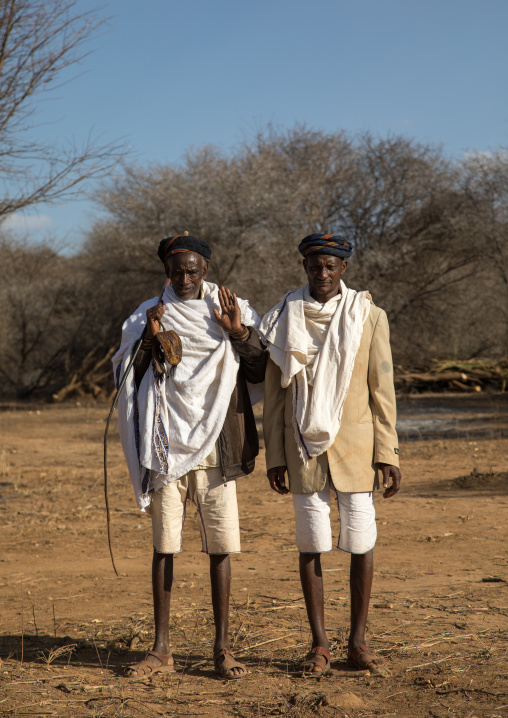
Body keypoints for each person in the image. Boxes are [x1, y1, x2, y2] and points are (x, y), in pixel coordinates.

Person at [112, 233, 266, 680]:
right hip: (165, 449)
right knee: (165, 547)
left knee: (221, 548)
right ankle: (161, 650)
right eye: (176, 271)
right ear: (166, 272)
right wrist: (149, 337)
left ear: (206, 270)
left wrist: (237, 331)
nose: (184, 278)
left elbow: (259, 368)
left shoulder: (231, 307)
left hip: (219, 446)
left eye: (192, 270)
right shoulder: (146, 314)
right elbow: (125, 376)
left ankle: (222, 648)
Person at [260, 233, 401, 676]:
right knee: (311, 544)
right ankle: (319, 645)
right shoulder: (284, 317)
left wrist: (389, 452)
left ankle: (357, 643)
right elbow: (275, 394)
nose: (321, 274)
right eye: (314, 266)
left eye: (330, 267)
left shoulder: (369, 316)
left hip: (356, 449)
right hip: (301, 447)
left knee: (361, 541)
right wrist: (274, 456)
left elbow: (382, 390)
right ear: (304, 267)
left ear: (344, 269)